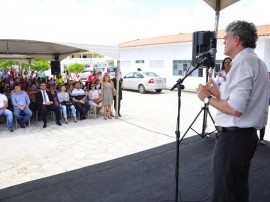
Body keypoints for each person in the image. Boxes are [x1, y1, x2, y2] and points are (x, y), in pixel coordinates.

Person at [196, 20, 269, 202]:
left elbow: (235, 109)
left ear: (236, 39)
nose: (223, 42)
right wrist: (217, 92)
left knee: (224, 192)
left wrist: (207, 98)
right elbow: (238, 100)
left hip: (234, 139)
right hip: (245, 137)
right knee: (238, 189)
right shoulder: (256, 62)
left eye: (226, 38)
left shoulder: (242, 63)